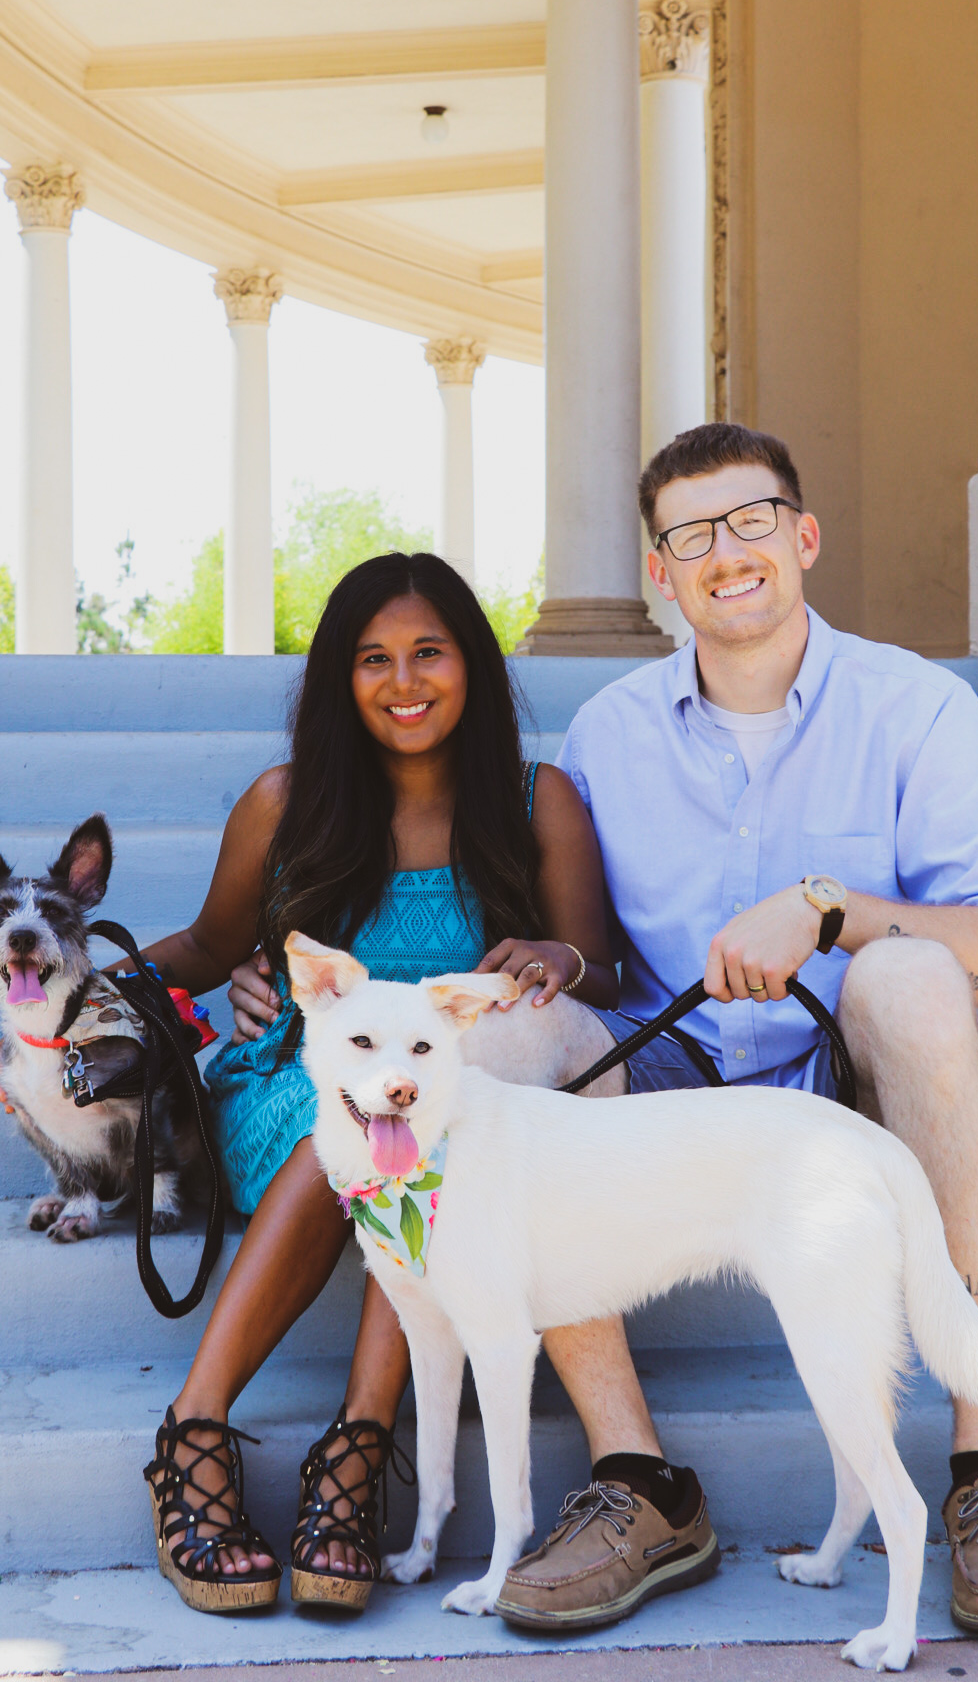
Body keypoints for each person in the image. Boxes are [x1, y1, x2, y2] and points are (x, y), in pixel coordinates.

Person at [505, 420, 978, 1641]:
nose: (726, 552)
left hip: (841, 1078)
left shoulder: (915, 708)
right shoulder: (606, 734)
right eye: (690, 536)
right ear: (658, 573)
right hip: (677, 1078)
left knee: (909, 978)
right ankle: (637, 1480)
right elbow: (591, 957)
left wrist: (830, 910)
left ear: (802, 536)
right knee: (507, 1046)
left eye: (751, 519)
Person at [129, 550, 701, 1618]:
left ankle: (355, 1452)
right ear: (339, 679)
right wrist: (95, 1000)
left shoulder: (536, 800)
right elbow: (207, 947)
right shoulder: (286, 803)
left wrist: (555, 958)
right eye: (373, 658)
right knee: (352, 1130)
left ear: (471, 664)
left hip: (445, 1096)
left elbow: (602, 971)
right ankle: (195, 1430)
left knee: (435, 1127)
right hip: (294, 1085)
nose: (404, 681)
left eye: (428, 652)